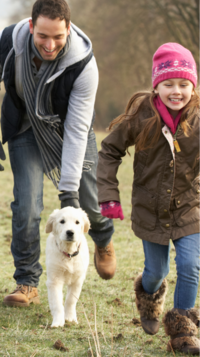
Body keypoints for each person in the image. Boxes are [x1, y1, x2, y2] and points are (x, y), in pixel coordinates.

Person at [0, 0, 116, 307]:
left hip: (68, 130)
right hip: (25, 128)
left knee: (88, 204)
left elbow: (77, 129)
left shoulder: (84, 64)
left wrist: (69, 192)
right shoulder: (5, 44)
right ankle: (27, 281)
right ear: (30, 27)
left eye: (58, 37)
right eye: (42, 36)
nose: (50, 45)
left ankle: (104, 237)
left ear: (69, 29)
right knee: (27, 207)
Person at [97, 43, 199, 354]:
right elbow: (109, 151)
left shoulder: (197, 118)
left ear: (193, 86)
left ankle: (183, 331)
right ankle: (148, 295)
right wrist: (108, 197)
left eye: (183, 84)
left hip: (189, 207)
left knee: (191, 265)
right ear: (156, 86)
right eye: (168, 84)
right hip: (150, 210)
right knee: (157, 272)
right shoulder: (140, 116)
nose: (176, 91)